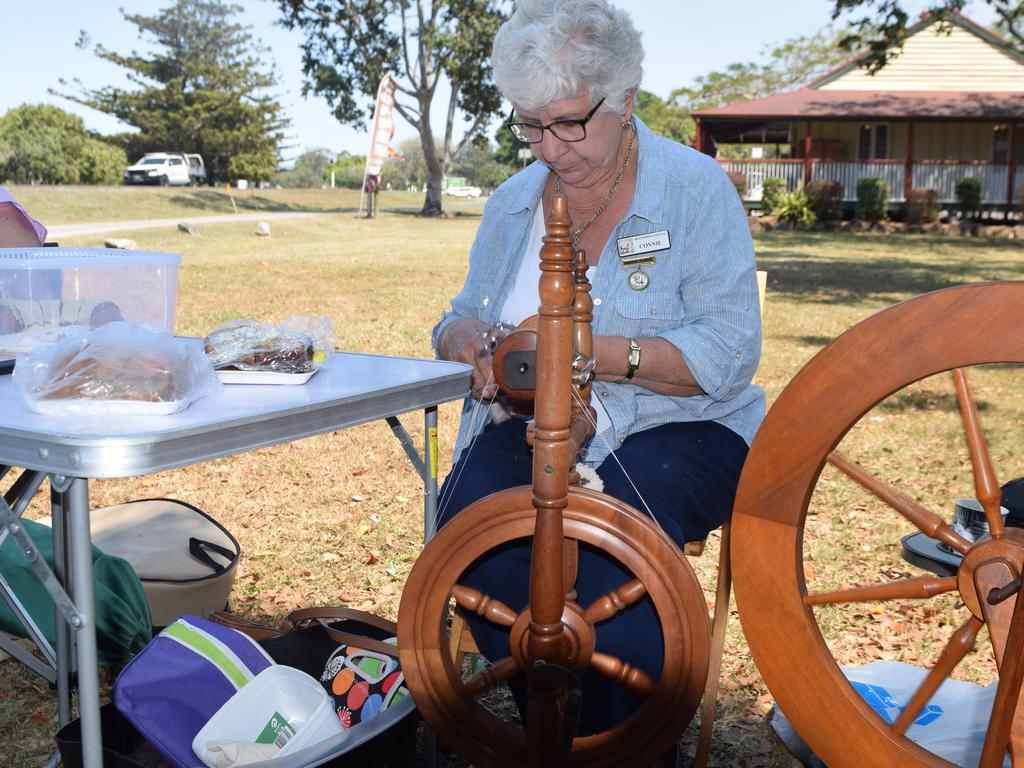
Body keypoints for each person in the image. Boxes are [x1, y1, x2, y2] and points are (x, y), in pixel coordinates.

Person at [430, 0, 765, 742]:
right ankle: (555, 722)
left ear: (627, 100)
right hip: (533, 423)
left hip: (685, 425)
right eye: (530, 124)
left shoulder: (695, 188)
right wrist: (467, 340)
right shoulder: (514, 201)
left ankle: (629, 745)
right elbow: (460, 313)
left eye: (569, 123)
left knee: (620, 550)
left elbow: (729, 353)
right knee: (469, 531)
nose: (549, 148)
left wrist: (588, 354)